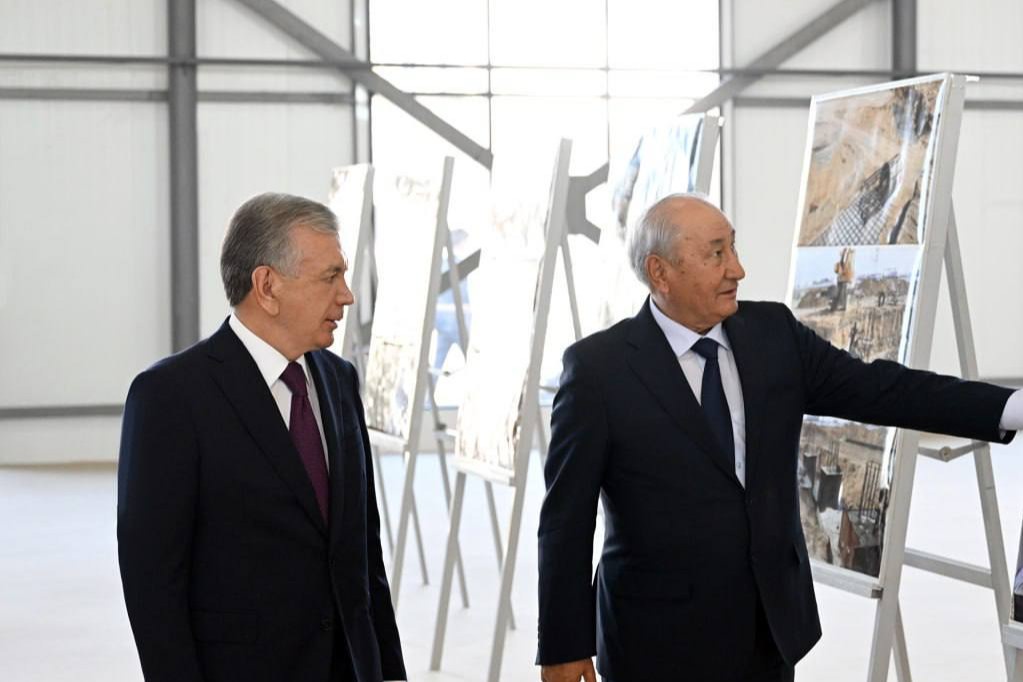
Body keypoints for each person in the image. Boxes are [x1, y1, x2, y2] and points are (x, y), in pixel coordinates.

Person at [536, 193, 1022, 682]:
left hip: (767, 632)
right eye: (716, 254)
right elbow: (565, 519)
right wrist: (563, 645)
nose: (738, 269)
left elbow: (883, 390)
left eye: (733, 248)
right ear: (659, 273)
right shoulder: (599, 371)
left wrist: (1011, 407)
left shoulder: (773, 335)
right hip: (654, 642)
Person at [117, 193, 405, 682]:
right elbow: (154, 588)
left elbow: (364, 558)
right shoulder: (170, 397)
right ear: (267, 286)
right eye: (330, 277)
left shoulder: (339, 381)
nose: (347, 296)